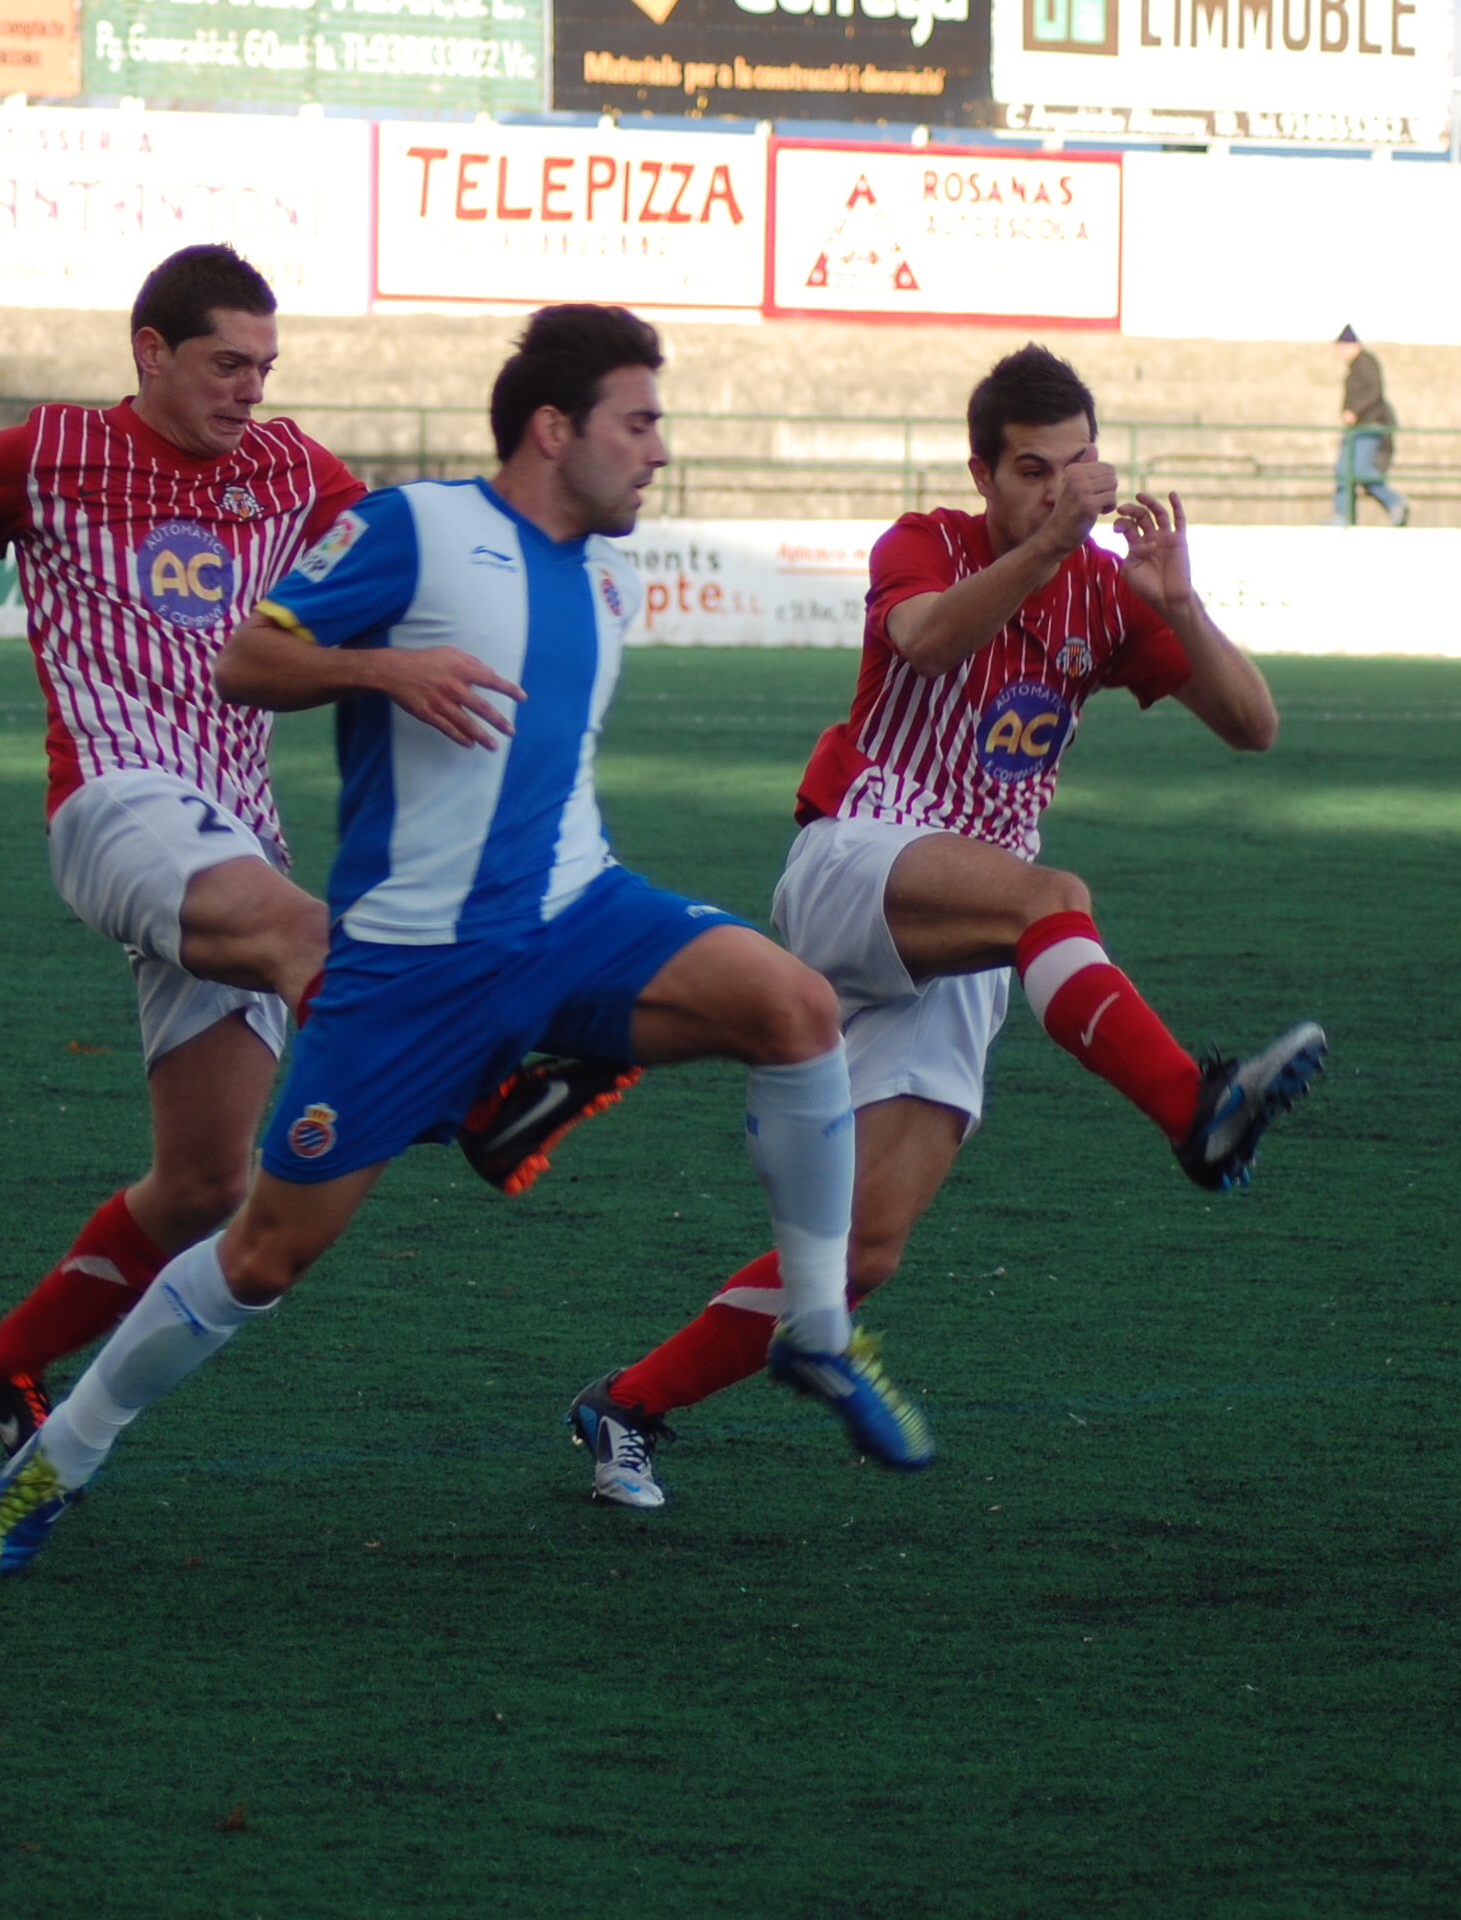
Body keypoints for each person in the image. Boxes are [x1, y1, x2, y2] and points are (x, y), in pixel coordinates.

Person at [0, 304, 935, 1576]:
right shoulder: (417, 528)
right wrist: (382, 672)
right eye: (637, 423)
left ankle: (812, 1327)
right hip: (406, 972)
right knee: (261, 1252)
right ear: (553, 427)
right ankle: (66, 1450)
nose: (656, 451)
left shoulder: (607, 575)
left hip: (578, 919)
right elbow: (249, 660)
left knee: (793, 1007)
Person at [0, 246, 617, 1463]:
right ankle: (479, 1095)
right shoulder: (45, 455)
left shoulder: (287, 465)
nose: (249, 389)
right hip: (114, 803)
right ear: (150, 351)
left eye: (264, 367)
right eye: (224, 364)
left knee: (203, 1184)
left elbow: (409, 547)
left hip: (231, 831)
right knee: (313, 936)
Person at [564, 344, 1326, 1510]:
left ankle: (624, 1407)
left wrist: (1179, 603)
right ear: (982, 473)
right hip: (857, 860)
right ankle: (1192, 1108)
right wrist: (1045, 546)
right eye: (1032, 470)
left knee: (860, 1254)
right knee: (1053, 899)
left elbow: (1254, 727)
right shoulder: (924, 542)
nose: (1063, 489)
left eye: (1078, 464)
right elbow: (925, 641)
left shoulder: (1108, 592)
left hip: (964, 942)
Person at [1330, 326, 1407, 529]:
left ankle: (1394, 501)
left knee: (1358, 470)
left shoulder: (1365, 363)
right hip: (1359, 427)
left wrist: (1354, 411)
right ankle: (1342, 514)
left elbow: (1374, 391)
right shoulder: (1357, 365)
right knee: (1343, 471)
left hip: (1369, 425)